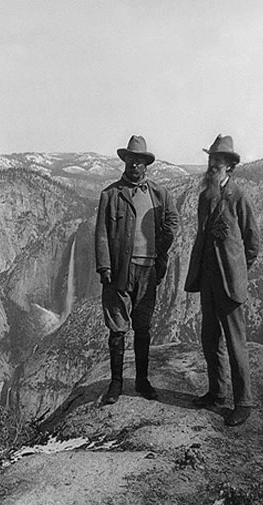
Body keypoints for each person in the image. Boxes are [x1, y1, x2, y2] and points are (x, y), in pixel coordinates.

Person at [95, 135, 179, 405]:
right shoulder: (110, 195)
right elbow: (101, 234)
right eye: (131, 160)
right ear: (125, 162)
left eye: (139, 161)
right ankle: (116, 383)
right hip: (119, 271)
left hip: (148, 270)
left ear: (146, 165)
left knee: (143, 328)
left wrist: (162, 248)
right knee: (117, 329)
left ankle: (142, 381)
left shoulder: (159, 195)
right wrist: (104, 266)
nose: (135, 166)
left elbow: (172, 221)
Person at [185, 134, 259, 426]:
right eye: (211, 160)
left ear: (230, 167)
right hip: (208, 281)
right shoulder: (205, 197)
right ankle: (217, 392)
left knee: (235, 343)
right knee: (209, 338)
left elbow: (253, 242)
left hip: (230, 283)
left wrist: (238, 269)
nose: (213, 165)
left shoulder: (239, 197)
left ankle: (243, 402)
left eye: (219, 161)